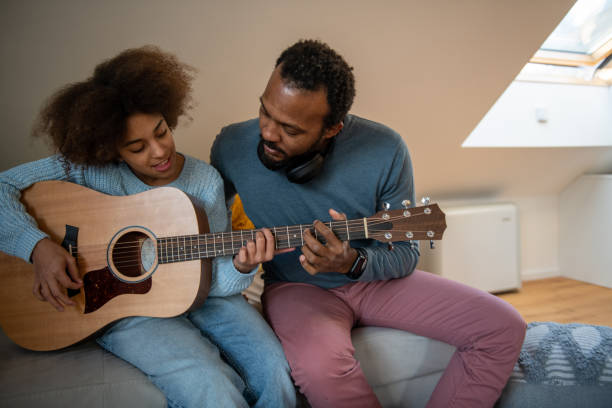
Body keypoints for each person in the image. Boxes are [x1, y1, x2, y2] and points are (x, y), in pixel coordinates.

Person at [211, 39, 527, 408]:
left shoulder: (386, 148)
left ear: (332, 129)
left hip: (373, 281)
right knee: (320, 370)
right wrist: (238, 253)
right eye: (265, 112)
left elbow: (406, 253)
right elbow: (211, 216)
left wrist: (352, 262)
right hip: (296, 289)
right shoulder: (232, 145)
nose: (267, 132)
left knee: (503, 326)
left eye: (291, 130)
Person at [0, 46, 295, 408]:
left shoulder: (204, 181)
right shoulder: (87, 170)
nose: (158, 152)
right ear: (111, 150)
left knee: (275, 370)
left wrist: (241, 266)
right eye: (137, 147)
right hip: (127, 310)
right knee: (210, 385)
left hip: (209, 300)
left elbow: (215, 280)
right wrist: (38, 247)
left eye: (162, 132)